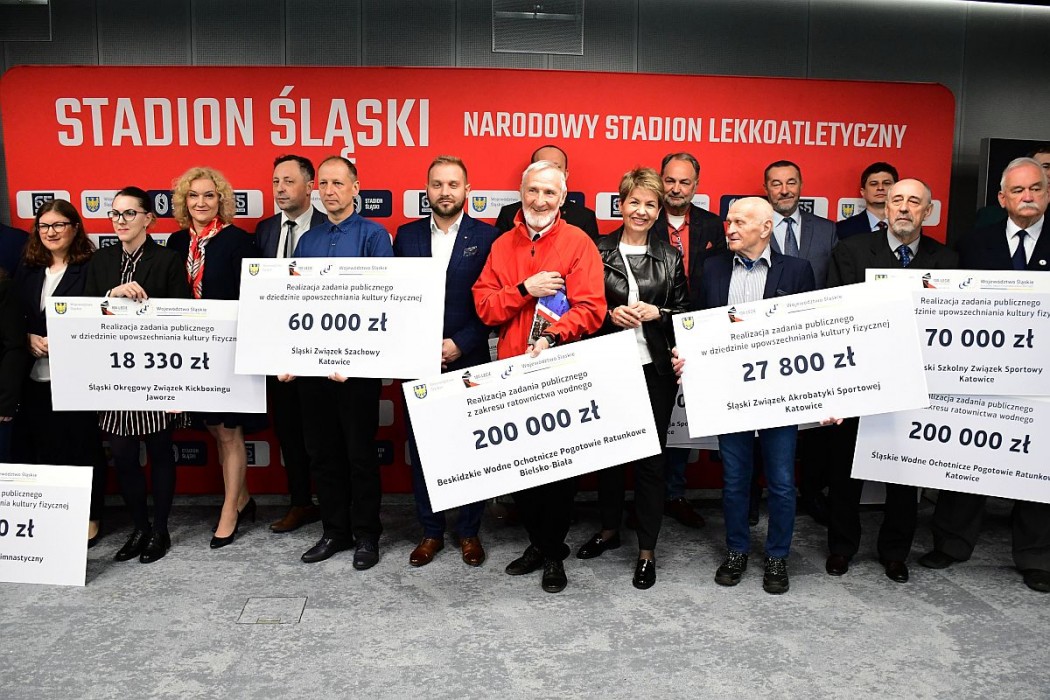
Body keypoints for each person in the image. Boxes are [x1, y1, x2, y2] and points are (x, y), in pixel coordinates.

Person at [472, 159, 606, 593]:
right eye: (533, 190)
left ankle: (552, 555)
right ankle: (539, 543)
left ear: (563, 198)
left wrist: (552, 335)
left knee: (559, 471)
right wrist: (524, 290)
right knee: (522, 469)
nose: (540, 200)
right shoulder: (501, 246)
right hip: (511, 372)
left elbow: (592, 308)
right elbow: (485, 307)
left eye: (550, 192)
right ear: (521, 194)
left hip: (559, 371)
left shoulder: (578, 243)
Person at [921, 157, 1050, 593]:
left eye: (1035, 188)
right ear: (1002, 198)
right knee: (970, 455)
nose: (1027, 197)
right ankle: (951, 543)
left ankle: (1037, 556)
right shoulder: (974, 244)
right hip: (980, 373)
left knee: (1039, 464)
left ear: (1047, 193)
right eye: (1018, 190)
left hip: (1043, 375)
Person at [824, 178, 958, 583]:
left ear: (927, 212)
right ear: (884, 207)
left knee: (905, 472)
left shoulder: (947, 260)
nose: (903, 207)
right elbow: (832, 313)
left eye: (914, 202)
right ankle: (841, 548)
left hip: (916, 381)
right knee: (845, 470)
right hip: (858, 376)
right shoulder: (851, 251)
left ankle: (895, 552)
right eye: (896, 200)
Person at [696, 197, 815, 595]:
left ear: (766, 228)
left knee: (781, 481)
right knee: (734, 480)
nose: (729, 228)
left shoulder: (797, 270)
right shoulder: (711, 268)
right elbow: (695, 323)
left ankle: (778, 555)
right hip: (728, 391)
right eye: (728, 221)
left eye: (739, 222)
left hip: (779, 393)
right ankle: (737, 551)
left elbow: (811, 334)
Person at [576, 167, 688, 590]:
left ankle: (646, 550)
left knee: (650, 461)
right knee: (608, 454)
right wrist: (609, 315)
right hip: (607, 366)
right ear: (620, 204)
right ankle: (608, 530)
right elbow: (579, 308)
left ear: (659, 210)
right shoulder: (596, 250)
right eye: (634, 202)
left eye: (650, 204)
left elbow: (687, 313)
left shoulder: (670, 257)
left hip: (654, 370)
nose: (641, 211)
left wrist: (660, 313)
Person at [286, 156, 392, 569]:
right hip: (313, 368)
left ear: (355, 188)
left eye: (338, 183)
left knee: (360, 455)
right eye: (324, 184)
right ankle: (334, 531)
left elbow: (383, 301)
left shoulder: (374, 236)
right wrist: (289, 355)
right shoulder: (307, 242)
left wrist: (355, 356)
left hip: (356, 371)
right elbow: (294, 304)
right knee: (322, 454)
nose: (329, 191)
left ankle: (366, 535)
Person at [394, 155, 498, 568]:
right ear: (427, 190)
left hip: (469, 357)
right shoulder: (406, 236)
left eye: (453, 184)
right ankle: (431, 531)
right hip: (418, 361)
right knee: (424, 449)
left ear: (467, 190)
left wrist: (461, 343)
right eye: (437, 184)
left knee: (472, 446)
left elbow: (493, 303)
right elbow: (396, 299)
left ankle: (469, 531)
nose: (445, 192)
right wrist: (422, 346)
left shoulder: (488, 237)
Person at [84, 187, 192, 563]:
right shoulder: (100, 260)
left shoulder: (167, 260)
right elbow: (83, 312)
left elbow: (182, 317)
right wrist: (111, 295)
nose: (121, 221)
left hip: (155, 372)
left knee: (160, 450)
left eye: (129, 213)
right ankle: (140, 527)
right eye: (115, 214)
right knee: (124, 454)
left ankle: (160, 529)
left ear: (149, 219)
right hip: (113, 372)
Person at [167, 167, 264, 549]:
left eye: (209, 195)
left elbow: (252, 297)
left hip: (228, 350)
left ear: (221, 200)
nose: (201, 202)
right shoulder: (176, 242)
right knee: (210, 424)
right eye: (194, 195)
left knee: (229, 430)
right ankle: (243, 498)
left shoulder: (238, 241)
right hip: (190, 351)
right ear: (184, 201)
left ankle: (229, 512)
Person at [13, 199, 108, 547]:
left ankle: (91, 516)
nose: (50, 232)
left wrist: (66, 339)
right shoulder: (28, 268)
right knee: (42, 447)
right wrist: (26, 337)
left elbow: (101, 317)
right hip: (32, 376)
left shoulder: (91, 267)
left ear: (74, 228)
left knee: (81, 447)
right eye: (44, 226)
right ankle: (54, 516)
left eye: (58, 225)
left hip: (75, 375)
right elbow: (12, 316)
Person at [652, 152, 725, 529]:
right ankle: (648, 498)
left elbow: (723, 277)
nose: (676, 188)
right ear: (660, 180)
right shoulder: (646, 218)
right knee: (652, 416)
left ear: (696, 186)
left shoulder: (713, 225)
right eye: (670, 180)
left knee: (683, 418)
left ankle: (674, 494)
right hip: (651, 331)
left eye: (685, 182)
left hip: (698, 332)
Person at [254, 155, 327, 534]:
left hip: (320, 348)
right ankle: (300, 503)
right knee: (288, 431)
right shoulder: (265, 230)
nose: (280, 189)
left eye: (288, 181)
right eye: (275, 182)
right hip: (277, 349)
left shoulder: (328, 226)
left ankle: (333, 507)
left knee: (321, 434)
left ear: (310, 186)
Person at [495, 144, 600, 242]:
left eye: (556, 167)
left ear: (566, 174)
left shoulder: (584, 218)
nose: (548, 172)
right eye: (542, 166)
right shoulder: (509, 214)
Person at [762, 160, 836, 288]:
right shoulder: (753, 230)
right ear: (766, 189)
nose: (784, 191)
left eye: (791, 183)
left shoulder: (826, 230)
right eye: (776, 184)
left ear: (801, 185)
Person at [835, 162, 899, 240]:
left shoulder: (909, 227)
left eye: (886, 183)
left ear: (897, 189)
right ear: (863, 192)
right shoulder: (842, 229)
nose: (880, 188)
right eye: (874, 184)